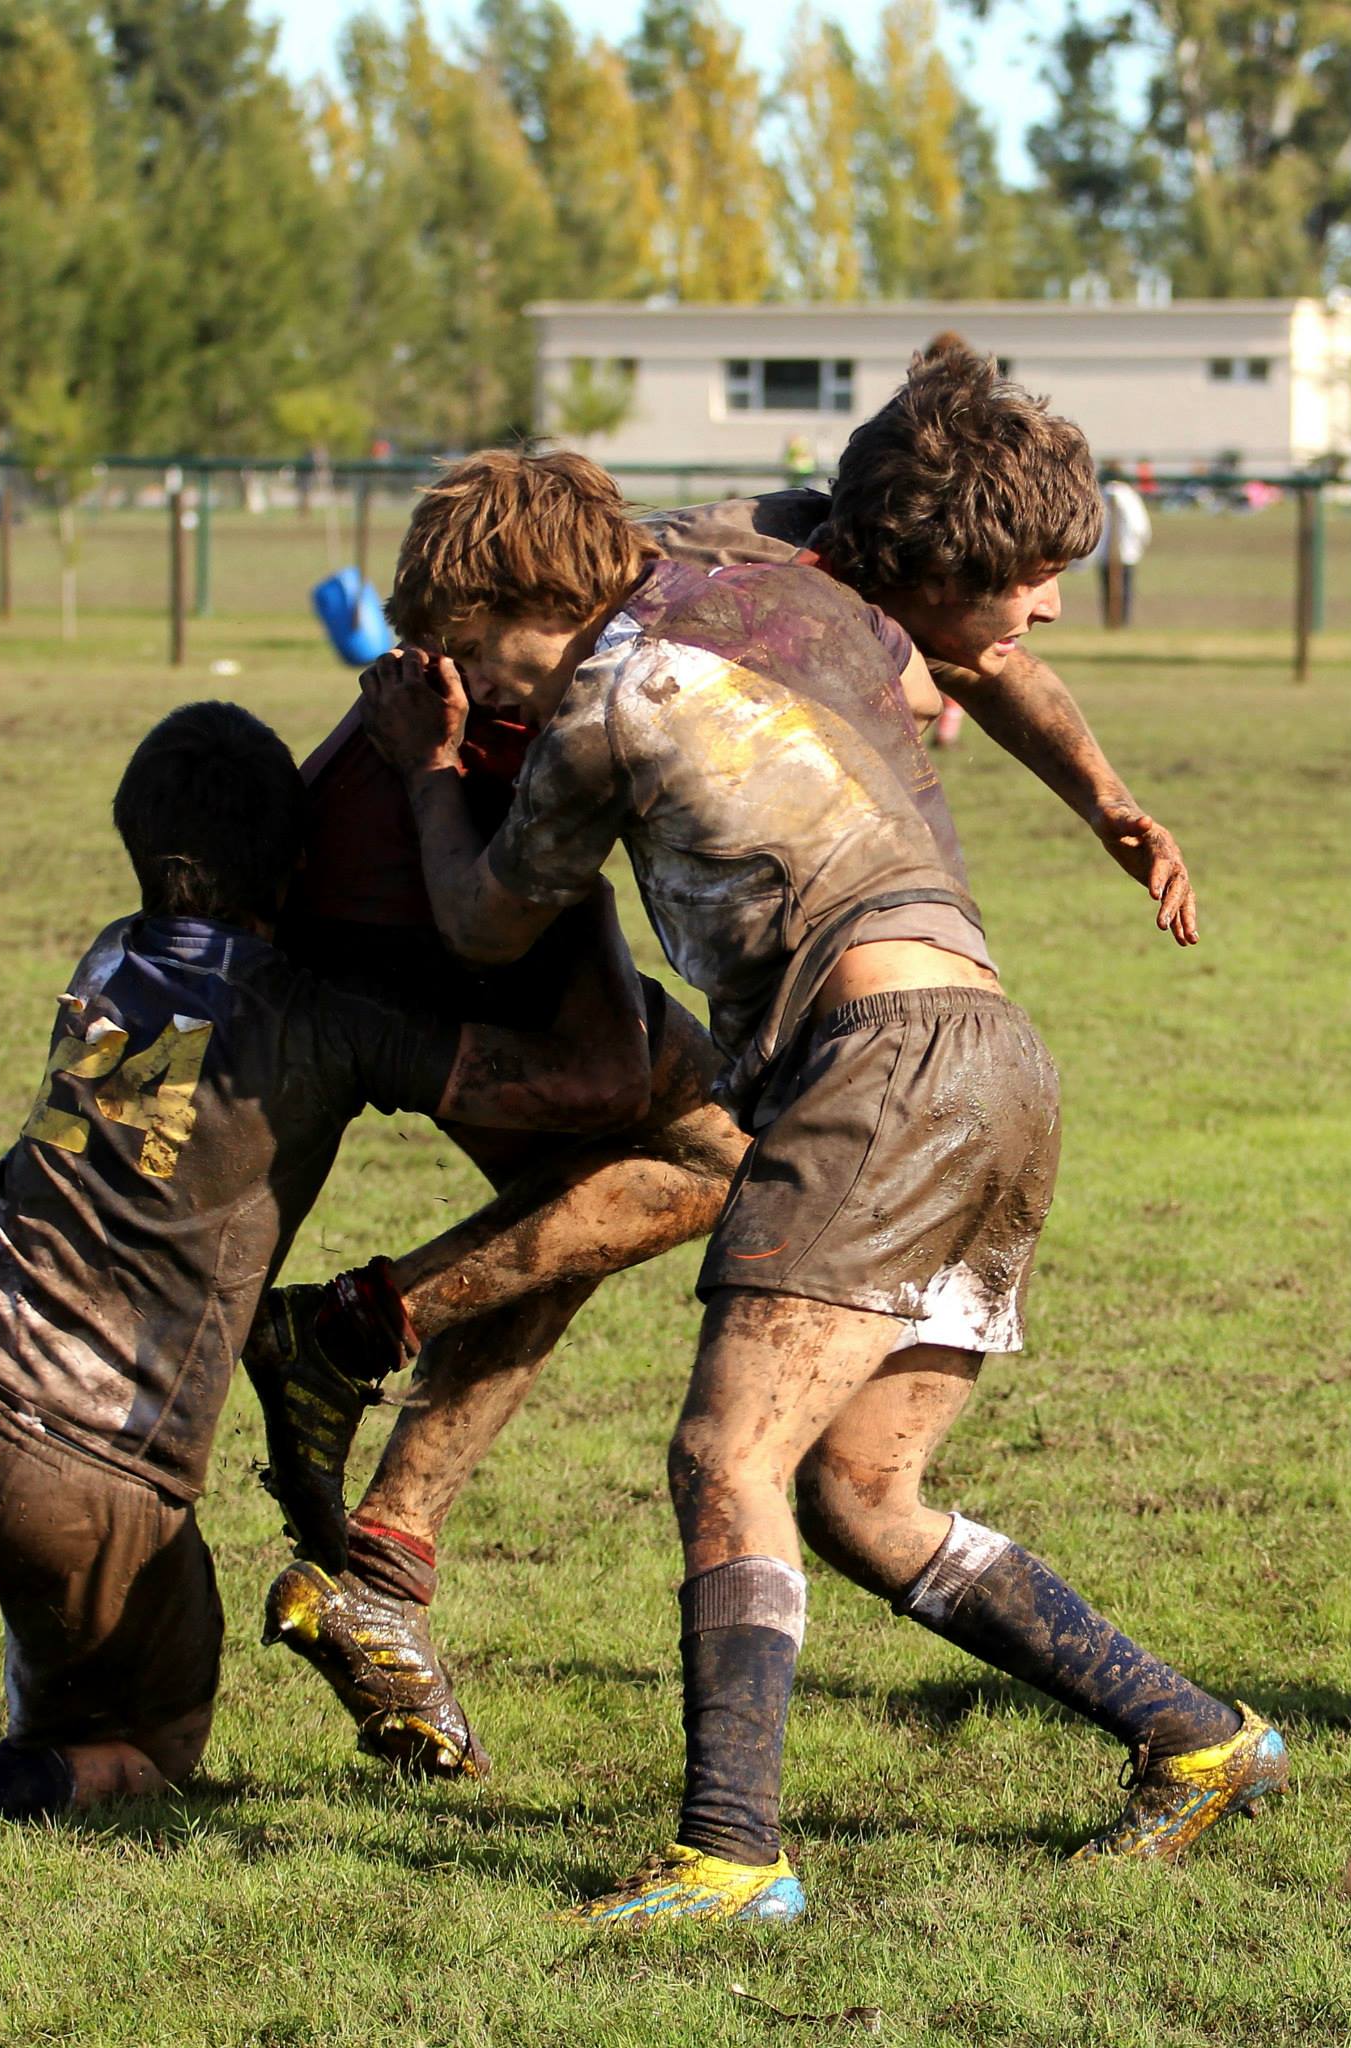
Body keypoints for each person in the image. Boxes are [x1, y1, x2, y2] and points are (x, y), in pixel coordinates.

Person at [349, 365, 1285, 1922]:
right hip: (994, 1063)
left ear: (521, 604)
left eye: (469, 658)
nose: (472, 690)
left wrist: (428, 768)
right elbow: (977, 660)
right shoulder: (791, 575)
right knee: (860, 1493)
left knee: (725, 1457)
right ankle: (1196, 1738)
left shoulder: (607, 695)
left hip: (879, 1068)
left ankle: (729, 1857)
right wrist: (1104, 800)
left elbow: (481, 916)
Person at [0, 700, 654, 1832]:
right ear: (296, 862)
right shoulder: (324, 1022)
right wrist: (580, 900)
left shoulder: (113, 953)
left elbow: (200, 1000)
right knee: (151, 1746)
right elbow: (598, 1089)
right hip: (89, 1459)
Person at [1090, 465, 1153, 625]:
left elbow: (1137, 525)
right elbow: (1140, 527)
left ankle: (1117, 620)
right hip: (1116, 553)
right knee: (1116, 589)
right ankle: (1116, 619)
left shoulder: (1120, 496)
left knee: (1118, 588)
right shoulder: (1124, 496)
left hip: (1120, 552)